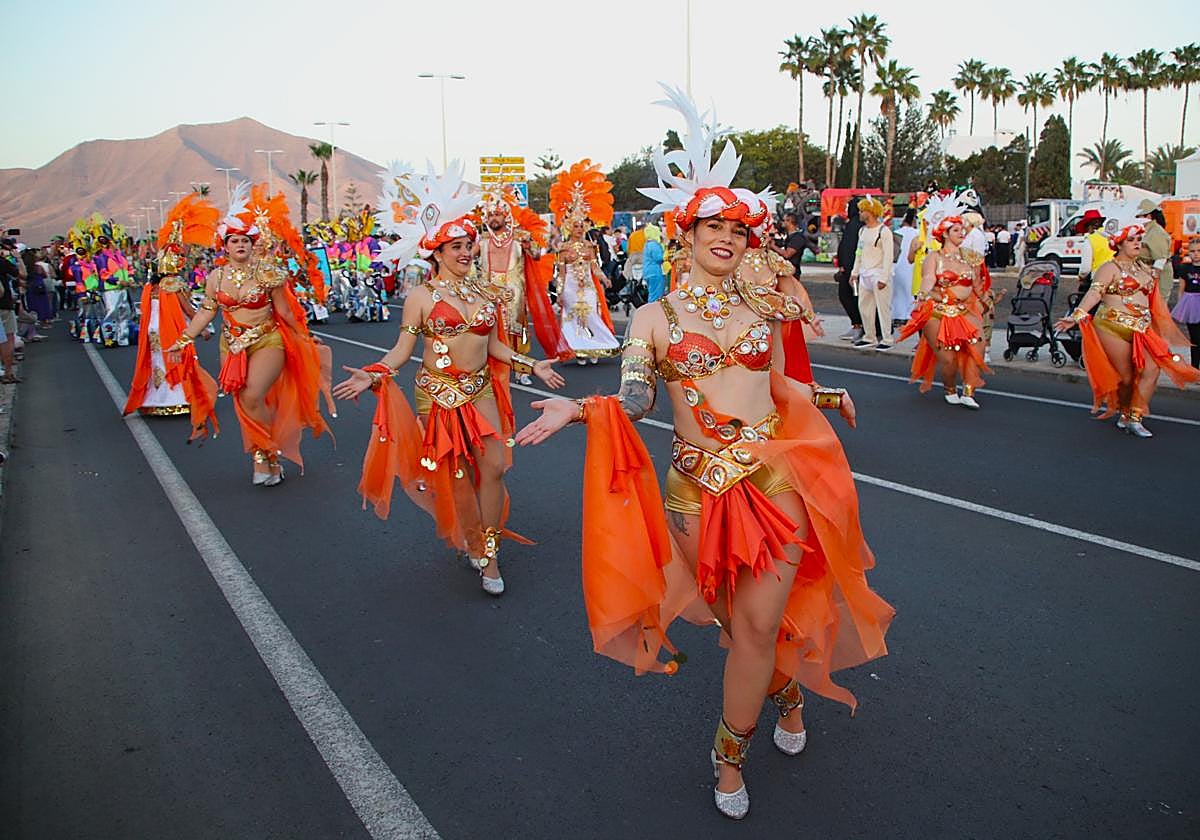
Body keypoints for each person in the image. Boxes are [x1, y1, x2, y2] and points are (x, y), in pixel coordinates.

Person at [515, 84, 893, 820]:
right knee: (733, 625)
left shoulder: (762, 308)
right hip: (694, 494)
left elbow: (775, 381)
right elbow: (637, 401)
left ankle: (727, 754)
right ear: (683, 235)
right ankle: (784, 689)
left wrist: (824, 399)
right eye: (711, 225)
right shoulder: (651, 319)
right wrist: (582, 409)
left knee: (755, 625)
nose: (726, 236)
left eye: (738, 229)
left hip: (771, 482)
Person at [333, 161, 565, 596]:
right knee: (459, 477)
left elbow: (494, 346)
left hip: (479, 392)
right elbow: (403, 352)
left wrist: (532, 364)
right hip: (436, 397)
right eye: (455, 246)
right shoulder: (420, 298)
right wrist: (373, 374)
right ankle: (474, 541)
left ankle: (490, 552)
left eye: (468, 245)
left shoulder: (485, 294)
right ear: (436, 253)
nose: (464, 252)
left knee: (494, 468)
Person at [168, 182, 333, 485]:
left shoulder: (269, 272)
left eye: (245, 240)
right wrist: (183, 339)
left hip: (267, 338)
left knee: (253, 393)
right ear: (225, 246)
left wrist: (305, 336)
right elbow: (207, 310)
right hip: (231, 345)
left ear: (252, 242)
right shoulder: (216, 277)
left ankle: (267, 452)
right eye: (234, 241)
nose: (240, 245)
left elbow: (284, 312)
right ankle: (264, 455)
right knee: (245, 402)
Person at [1054, 209, 1200, 437]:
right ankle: (1124, 410)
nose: (1137, 243)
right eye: (1131, 239)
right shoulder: (1108, 269)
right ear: (1119, 243)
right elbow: (1094, 294)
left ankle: (1134, 416)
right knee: (1127, 377)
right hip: (1112, 326)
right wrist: (1076, 316)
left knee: (1152, 369)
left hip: (1142, 327)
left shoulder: (1144, 268)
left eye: (1139, 239)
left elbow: (1154, 300)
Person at [123, 194, 220, 434]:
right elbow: (188, 309)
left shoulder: (151, 287)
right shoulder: (173, 285)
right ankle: (178, 398)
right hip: (172, 328)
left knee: (158, 361)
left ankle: (156, 399)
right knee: (178, 360)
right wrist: (204, 327)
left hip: (152, 330)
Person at [897, 194, 991, 409]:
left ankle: (969, 390)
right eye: (956, 230)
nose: (962, 233)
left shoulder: (970, 257)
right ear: (945, 233)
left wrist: (987, 300)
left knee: (977, 347)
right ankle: (950, 388)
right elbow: (929, 278)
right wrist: (922, 296)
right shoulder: (934, 257)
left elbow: (977, 283)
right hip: (938, 311)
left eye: (962, 230)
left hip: (965, 310)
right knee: (948, 358)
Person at [476, 185, 571, 385]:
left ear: (505, 216)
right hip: (487, 289)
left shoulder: (520, 237)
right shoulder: (482, 240)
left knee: (517, 329)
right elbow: (466, 258)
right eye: (490, 214)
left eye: (498, 214)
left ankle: (521, 370)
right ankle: (488, 367)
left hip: (513, 289)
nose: (494, 218)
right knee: (486, 327)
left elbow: (537, 255)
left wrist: (531, 244)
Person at [550, 160, 620, 364]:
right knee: (574, 318)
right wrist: (560, 293)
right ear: (569, 227)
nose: (579, 229)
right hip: (571, 287)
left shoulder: (591, 247)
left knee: (591, 315)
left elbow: (595, 267)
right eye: (576, 226)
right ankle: (579, 349)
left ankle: (597, 347)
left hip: (588, 287)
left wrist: (604, 279)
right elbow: (561, 274)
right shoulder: (563, 249)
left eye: (582, 225)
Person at [849, 197, 894, 350]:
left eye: (863, 211)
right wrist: (854, 273)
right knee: (864, 307)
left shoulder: (884, 231)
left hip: (878, 273)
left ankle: (887, 338)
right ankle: (869, 336)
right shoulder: (862, 231)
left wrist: (884, 277)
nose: (860, 213)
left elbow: (888, 256)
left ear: (871, 212)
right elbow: (858, 253)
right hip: (864, 274)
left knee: (883, 308)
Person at [1136, 199, 1175, 305]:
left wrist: (1153, 277)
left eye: (1139, 217)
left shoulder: (1156, 232)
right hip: (1148, 271)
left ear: (1148, 216)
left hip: (1158, 274)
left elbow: (1161, 258)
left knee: (1158, 305)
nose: (1137, 219)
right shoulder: (1148, 231)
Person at [835, 199, 864, 341]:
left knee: (851, 297)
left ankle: (859, 326)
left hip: (853, 270)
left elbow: (852, 249)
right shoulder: (852, 225)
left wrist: (849, 268)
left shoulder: (856, 226)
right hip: (849, 268)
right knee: (848, 297)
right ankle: (857, 325)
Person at [1169, 236, 1200, 368]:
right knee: (1194, 339)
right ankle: (1195, 369)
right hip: (1191, 305)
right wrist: (1181, 306)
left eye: (1199, 251)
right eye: (1192, 251)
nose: (1196, 254)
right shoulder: (1185, 268)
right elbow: (1181, 288)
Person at [893, 208, 920, 327]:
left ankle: (897, 315)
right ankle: (909, 315)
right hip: (912, 266)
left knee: (897, 293)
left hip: (897, 266)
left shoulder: (896, 233)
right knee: (910, 291)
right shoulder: (917, 234)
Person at [1075, 208, 1112, 293]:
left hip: (1099, 278)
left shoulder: (1090, 240)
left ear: (1089, 226)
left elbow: (1085, 269)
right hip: (1115, 276)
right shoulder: (1111, 235)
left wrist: (1081, 277)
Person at [0, 240, 22, 383]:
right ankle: (8, 373)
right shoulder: (2, 262)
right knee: (7, 338)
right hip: (4, 306)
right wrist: (18, 258)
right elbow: (21, 274)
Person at [642, 223, 666, 302]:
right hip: (655, 272)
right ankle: (653, 312)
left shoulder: (647, 244)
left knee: (652, 293)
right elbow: (659, 258)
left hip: (648, 272)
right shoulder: (654, 245)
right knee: (656, 296)